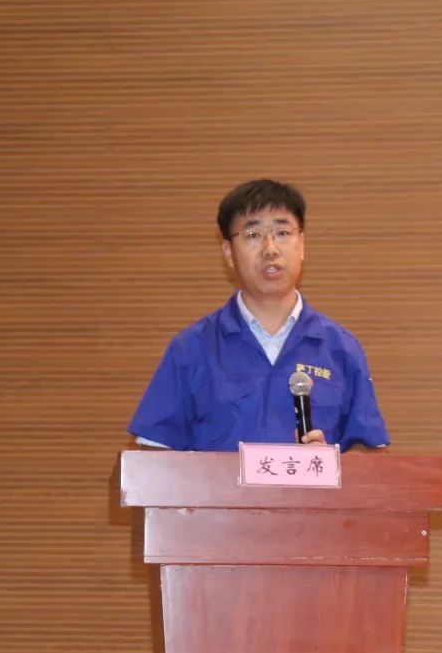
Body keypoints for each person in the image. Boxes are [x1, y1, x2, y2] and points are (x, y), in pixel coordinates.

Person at [128, 179, 389, 452]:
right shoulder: (191, 348)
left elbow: (371, 455)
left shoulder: (341, 349)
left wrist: (329, 464)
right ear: (229, 252)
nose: (270, 249)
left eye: (282, 232)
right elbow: (153, 457)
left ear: (302, 245)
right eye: (253, 235)